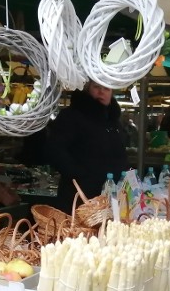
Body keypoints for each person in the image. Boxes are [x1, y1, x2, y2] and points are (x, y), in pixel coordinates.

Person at [46, 80, 129, 213]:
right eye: (96, 87)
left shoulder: (114, 121)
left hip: (111, 197)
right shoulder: (72, 116)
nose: (101, 91)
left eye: (107, 88)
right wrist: (81, 176)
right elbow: (55, 150)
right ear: (87, 89)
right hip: (79, 197)